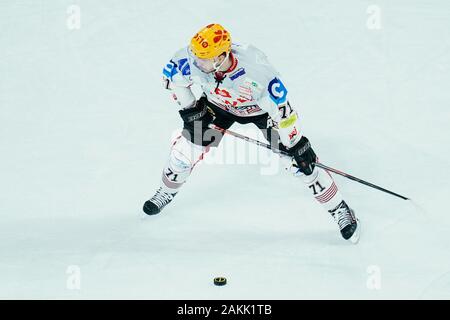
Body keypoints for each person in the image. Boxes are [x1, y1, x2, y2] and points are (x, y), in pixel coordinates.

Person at [143, 23, 360, 243]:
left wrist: (295, 145)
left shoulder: (257, 74)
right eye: (196, 56)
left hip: (261, 114)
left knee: (301, 166)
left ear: (221, 57)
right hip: (217, 108)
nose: (197, 63)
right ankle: (166, 191)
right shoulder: (193, 60)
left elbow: (284, 114)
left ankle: (340, 209)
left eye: (204, 59)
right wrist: (190, 110)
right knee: (183, 153)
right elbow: (172, 79)